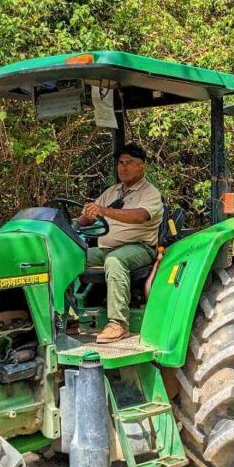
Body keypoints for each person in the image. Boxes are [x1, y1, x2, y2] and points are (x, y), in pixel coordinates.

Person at [77, 143, 163, 342]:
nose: (123, 167)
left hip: (139, 248)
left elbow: (140, 216)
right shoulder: (112, 191)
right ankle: (64, 315)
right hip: (105, 248)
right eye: (121, 163)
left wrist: (104, 211)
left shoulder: (150, 193)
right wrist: (66, 225)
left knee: (115, 261)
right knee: (70, 256)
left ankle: (118, 324)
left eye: (130, 163)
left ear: (142, 167)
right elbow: (88, 216)